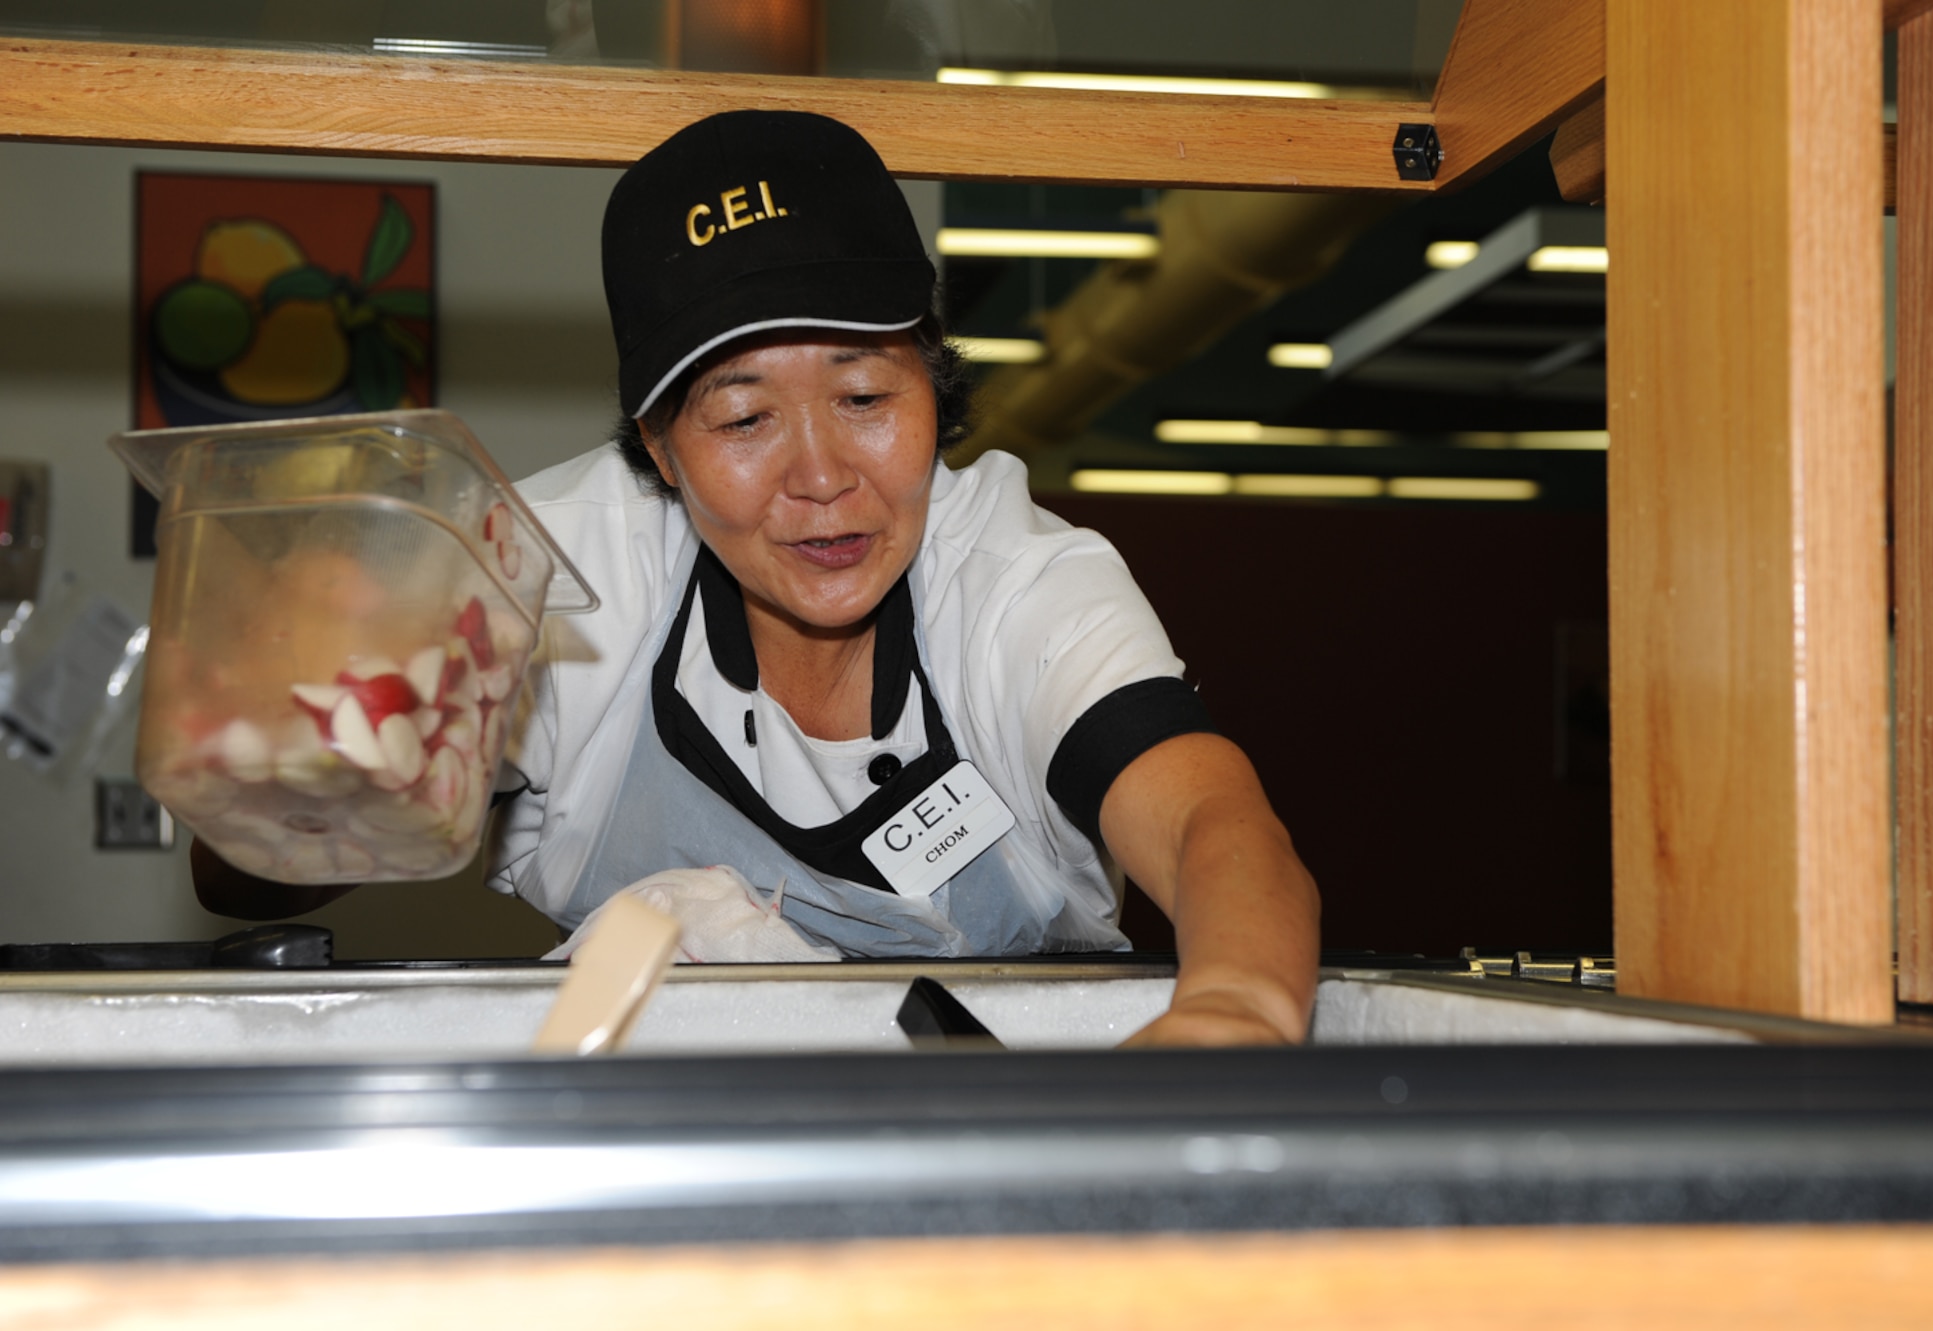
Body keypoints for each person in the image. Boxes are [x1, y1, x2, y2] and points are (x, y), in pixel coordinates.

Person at [197, 109, 1319, 1047]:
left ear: (935, 385)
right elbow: (243, 875)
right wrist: (321, 767)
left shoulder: (1018, 581)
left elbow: (1210, 822)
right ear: (659, 445)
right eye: (742, 417)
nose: (821, 477)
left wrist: (1232, 1010)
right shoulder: (545, 565)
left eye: (867, 399)